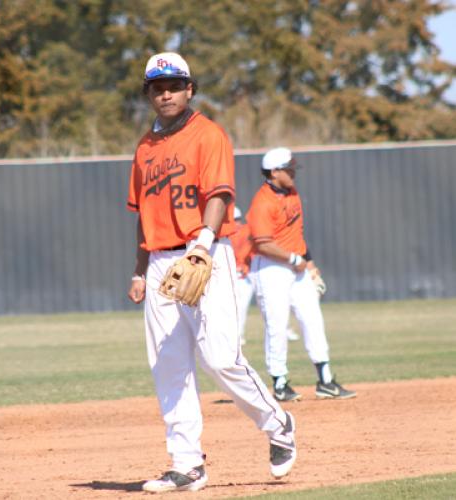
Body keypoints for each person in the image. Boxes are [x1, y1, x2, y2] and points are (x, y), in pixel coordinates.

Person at [126, 53, 296, 493]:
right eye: (158, 86)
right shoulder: (144, 148)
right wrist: (140, 270)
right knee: (168, 366)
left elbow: (218, 195)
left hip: (205, 251)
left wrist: (202, 242)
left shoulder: (209, 135)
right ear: (149, 94)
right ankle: (187, 464)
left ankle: (278, 423)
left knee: (220, 357)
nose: (166, 93)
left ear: (189, 89)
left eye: (174, 84)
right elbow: (142, 214)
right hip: (161, 260)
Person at [246, 147, 357, 402]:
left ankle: (326, 380)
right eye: (288, 169)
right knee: (276, 325)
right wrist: (294, 259)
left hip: (296, 267)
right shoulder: (262, 202)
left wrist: (310, 264)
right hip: (271, 268)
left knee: (312, 319)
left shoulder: (291, 193)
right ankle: (280, 383)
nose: (293, 173)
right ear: (274, 172)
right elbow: (262, 243)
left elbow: (297, 233)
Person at [230, 207, 299, 345]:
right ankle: (238, 336)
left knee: (265, 303)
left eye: (237, 220)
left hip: (249, 271)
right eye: (234, 220)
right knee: (245, 305)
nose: (236, 223)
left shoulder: (239, 231)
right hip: (245, 272)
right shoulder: (236, 232)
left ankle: (282, 330)